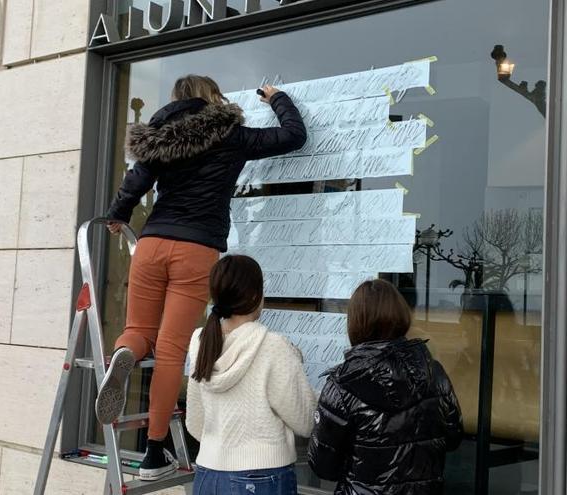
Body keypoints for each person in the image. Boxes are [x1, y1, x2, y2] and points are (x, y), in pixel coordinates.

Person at [95, 75, 307, 481]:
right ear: (212, 97)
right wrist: (278, 98)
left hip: (153, 243)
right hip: (196, 249)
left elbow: (136, 180)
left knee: (139, 329)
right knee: (172, 351)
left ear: (177, 101)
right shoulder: (233, 135)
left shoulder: (160, 137)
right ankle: (155, 452)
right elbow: (292, 137)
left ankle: (125, 354)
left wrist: (118, 214)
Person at [308, 279, 464, 494]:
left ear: (356, 321)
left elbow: (323, 465)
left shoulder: (343, 385)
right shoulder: (434, 373)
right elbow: (453, 437)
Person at [186, 255, 317, 495]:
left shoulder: (200, 341)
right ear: (256, 296)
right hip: (263, 477)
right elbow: (306, 421)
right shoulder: (274, 346)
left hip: (207, 475)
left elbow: (195, 423)